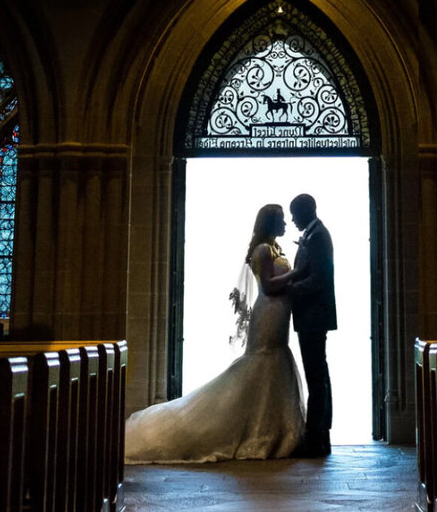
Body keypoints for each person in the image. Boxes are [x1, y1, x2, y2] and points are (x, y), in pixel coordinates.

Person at [124, 202, 305, 463]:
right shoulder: (263, 249)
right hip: (269, 311)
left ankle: (272, 430)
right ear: (270, 223)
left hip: (280, 311)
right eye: (280, 219)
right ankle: (256, 432)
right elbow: (267, 285)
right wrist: (296, 274)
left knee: (274, 362)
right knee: (264, 360)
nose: (285, 223)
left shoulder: (276, 247)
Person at [288, 192, 336, 457]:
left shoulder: (318, 236)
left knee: (316, 376)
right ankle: (320, 434)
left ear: (307, 210)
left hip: (314, 315)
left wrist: (292, 290)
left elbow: (320, 278)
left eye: (295, 213)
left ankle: (317, 436)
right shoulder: (313, 233)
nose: (293, 219)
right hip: (312, 315)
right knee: (319, 374)